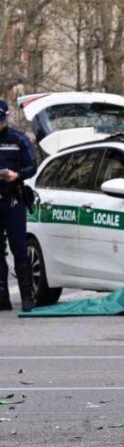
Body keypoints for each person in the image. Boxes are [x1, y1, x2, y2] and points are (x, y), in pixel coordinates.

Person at [0, 101, 39, 311]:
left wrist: (17, 175)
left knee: (19, 247)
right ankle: (2, 297)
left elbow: (32, 165)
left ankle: (26, 297)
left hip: (13, 198)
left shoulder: (18, 139)